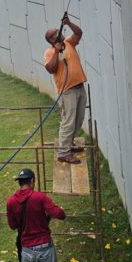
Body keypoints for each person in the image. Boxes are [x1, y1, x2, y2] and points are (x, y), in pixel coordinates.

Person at [43, 13, 87, 165]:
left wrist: (68, 23)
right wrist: (56, 51)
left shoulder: (69, 42)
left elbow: (79, 33)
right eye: (55, 34)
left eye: (59, 31)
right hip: (67, 91)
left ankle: (69, 145)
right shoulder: (49, 52)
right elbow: (51, 68)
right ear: (51, 40)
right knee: (68, 121)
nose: (59, 34)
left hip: (80, 87)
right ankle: (63, 153)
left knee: (78, 119)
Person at [7, 168, 66, 262]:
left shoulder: (10, 201)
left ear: (19, 183)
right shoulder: (40, 197)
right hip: (45, 248)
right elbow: (59, 214)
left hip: (26, 249)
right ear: (32, 181)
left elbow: (13, 226)